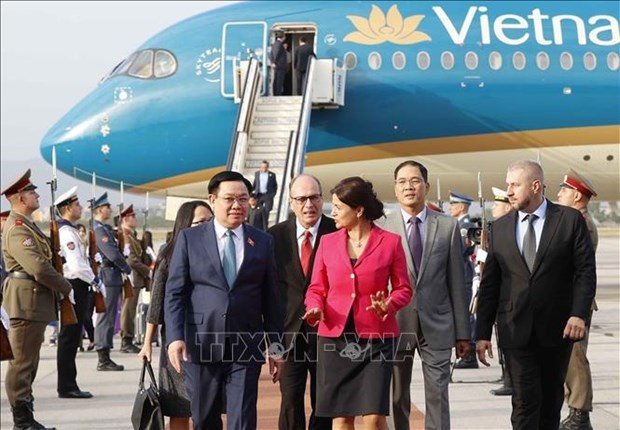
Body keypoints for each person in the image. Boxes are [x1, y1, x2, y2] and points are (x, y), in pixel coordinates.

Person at [476, 160, 596, 429]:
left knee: (550, 404)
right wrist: (482, 333)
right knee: (524, 403)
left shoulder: (569, 221)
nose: (509, 191)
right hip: (515, 328)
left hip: (557, 329)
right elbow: (490, 284)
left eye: (514, 185)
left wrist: (578, 315)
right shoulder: (500, 228)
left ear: (536, 186)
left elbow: (585, 273)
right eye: (508, 185)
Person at [165, 170, 285, 430]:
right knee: (204, 417)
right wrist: (175, 337)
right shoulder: (190, 239)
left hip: (245, 344)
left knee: (242, 418)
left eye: (243, 199)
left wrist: (276, 345)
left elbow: (271, 298)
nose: (237, 205)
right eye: (229, 198)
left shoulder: (262, 242)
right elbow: (175, 292)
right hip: (201, 342)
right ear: (212, 199)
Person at [304, 176, 412, 430]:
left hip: (377, 338)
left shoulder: (390, 243)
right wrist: (314, 307)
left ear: (359, 210)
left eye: (339, 208)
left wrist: (389, 304)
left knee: (374, 419)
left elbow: (403, 289)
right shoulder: (328, 242)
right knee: (342, 418)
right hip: (334, 337)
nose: (334, 213)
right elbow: (316, 287)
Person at [380, 160, 470, 430]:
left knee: (438, 397)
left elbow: (457, 282)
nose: (409, 187)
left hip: (438, 325)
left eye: (415, 181)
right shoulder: (382, 227)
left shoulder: (447, 226)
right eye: (402, 182)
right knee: (395, 397)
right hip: (395, 325)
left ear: (426, 186)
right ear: (395, 189)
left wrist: (463, 333)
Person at [1, 168, 73, 429]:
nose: (36, 195)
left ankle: (27, 416)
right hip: (26, 302)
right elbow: (38, 268)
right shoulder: (18, 228)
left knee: (29, 362)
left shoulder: (27, 225)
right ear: (20, 198)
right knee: (21, 364)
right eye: (32, 192)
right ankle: (22, 420)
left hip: (34, 302)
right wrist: (65, 285)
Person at [268, 174, 337, 430]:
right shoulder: (274, 237)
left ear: (322, 199)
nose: (309, 204)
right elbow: (269, 292)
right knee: (290, 401)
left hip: (330, 332)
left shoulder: (338, 231)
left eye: (314, 197)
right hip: (289, 335)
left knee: (325, 402)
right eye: (302, 199)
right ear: (291, 202)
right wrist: (272, 341)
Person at [139, 200, 213, 430]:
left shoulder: (219, 251)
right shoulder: (169, 254)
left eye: (210, 221)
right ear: (185, 224)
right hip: (178, 338)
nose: (206, 226)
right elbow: (158, 302)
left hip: (208, 337)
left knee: (210, 407)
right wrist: (147, 343)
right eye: (200, 222)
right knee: (179, 407)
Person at [557, 169, 599, 430]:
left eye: (563, 190)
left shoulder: (580, 223)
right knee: (569, 357)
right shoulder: (576, 220)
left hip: (576, 301)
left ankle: (580, 414)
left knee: (575, 357)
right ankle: (575, 410)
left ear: (576, 195)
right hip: (570, 299)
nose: (559, 194)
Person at [54, 186, 97, 399]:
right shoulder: (66, 232)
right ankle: (67, 385)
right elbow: (77, 265)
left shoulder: (69, 230)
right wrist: (95, 279)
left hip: (78, 284)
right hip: (74, 285)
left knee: (72, 336)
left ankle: (69, 383)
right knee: (69, 337)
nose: (80, 208)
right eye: (77, 204)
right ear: (68, 208)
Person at [93, 192, 131, 371]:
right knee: (106, 317)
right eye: (108, 207)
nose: (110, 210)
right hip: (108, 275)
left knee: (109, 316)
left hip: (112, 275)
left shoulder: (106, 228)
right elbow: (112, 253)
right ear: (100, 209)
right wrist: (127, 267)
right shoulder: (100, 230)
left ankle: (105, 353)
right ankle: (103, 356)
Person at [488, 186, 515, 397]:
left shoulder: (509, 229)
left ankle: (512, 379)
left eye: (497, 204)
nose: (493, 208)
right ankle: (508, 377)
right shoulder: (496, 228)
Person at [448, 190, 478, 370]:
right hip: (462, 273)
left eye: (453, 204)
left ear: (461, 206)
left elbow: (459, 250)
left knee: (466, 315)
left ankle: (469, 354)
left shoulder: (465, 226)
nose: (450, 208)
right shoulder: (460, 224)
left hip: (464, 274)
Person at [119, 204, 150, 353]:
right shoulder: (125, 236)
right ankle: (126, 340)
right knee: (128, 310)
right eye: (132, 216)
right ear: (126, 219)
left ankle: (128, 338)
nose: (135, 219)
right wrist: (147, 271)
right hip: (131, 278)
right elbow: (131, 260)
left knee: (131, 310)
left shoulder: (131, 235)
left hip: (135, 279)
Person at [269, 31, 287, 96]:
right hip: (280, 65)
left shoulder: (275, 44)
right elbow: (276, 53)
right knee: (279, 80)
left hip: (277, 65)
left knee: (276, 80)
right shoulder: (279, 44)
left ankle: (276, 93)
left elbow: (271, 54)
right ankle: (277, 94)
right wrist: (273, 62)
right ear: (283, 37)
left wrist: (272, 61)